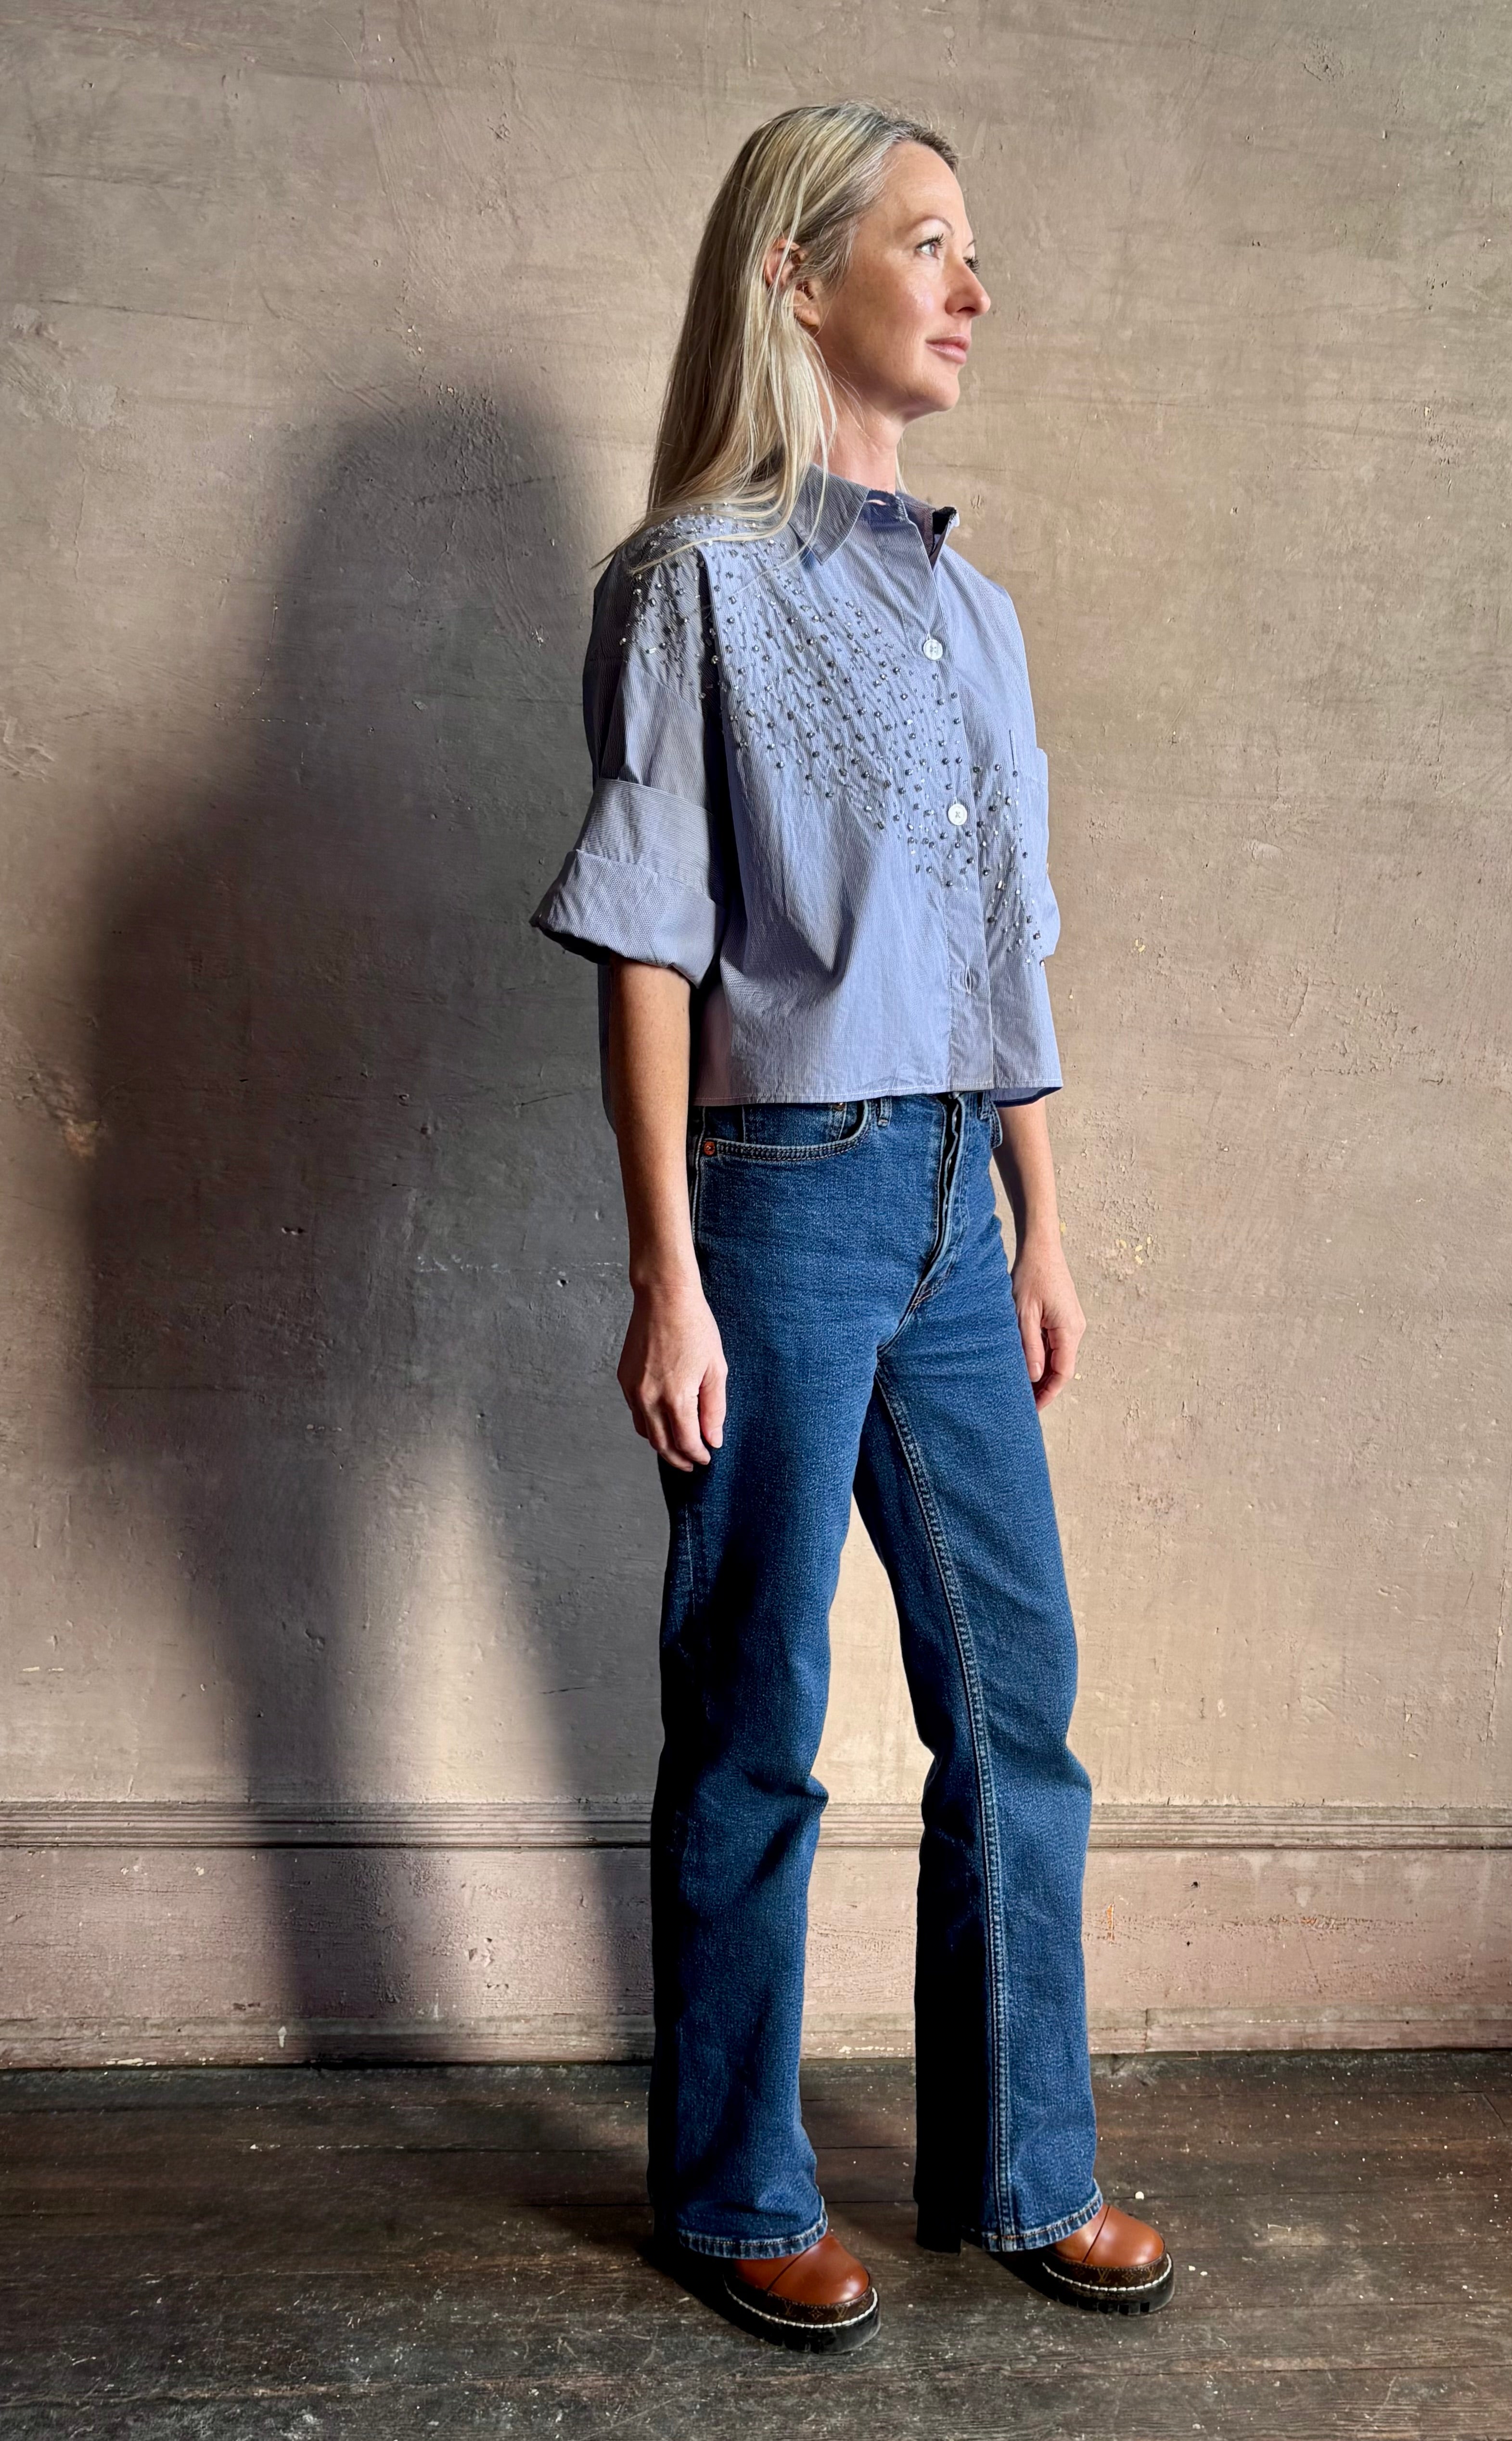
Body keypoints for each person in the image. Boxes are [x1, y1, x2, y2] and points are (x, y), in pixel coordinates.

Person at [529, 100, 1173, 2353]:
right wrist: (665, 1270)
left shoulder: (981, 620)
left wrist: (1042, 1224)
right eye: (927, 242)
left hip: (952, 1214)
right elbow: (648, 941)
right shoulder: (690, 584)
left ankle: (1026, 2166)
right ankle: (735, 2190)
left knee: (1020, 1697)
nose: (973, 287)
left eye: (974, 250)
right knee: (757, 1706)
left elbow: (1009, 964)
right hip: (781, 1197)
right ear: (795, 280)